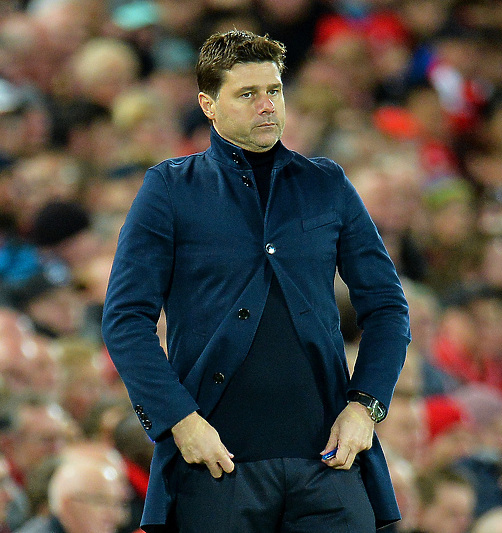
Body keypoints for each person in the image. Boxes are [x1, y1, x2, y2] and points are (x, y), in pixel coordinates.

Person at [101, 29, 410, 532]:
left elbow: (388, 307)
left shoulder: (326, 182)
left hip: (327, 461)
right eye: (248, 94)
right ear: (208, 104)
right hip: (217, 463)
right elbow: (124, 319)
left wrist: (365, 406)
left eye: (275, 91)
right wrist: (179, 420)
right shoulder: (169, 189)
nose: (267, 105)